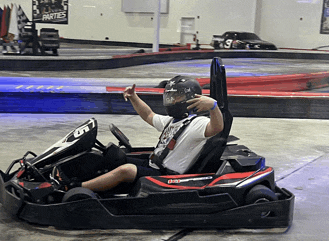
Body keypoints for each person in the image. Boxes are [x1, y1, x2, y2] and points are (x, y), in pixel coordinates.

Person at [53, 75, 223, 192]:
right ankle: (75, 173)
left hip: (167, 177)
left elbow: (217, 128)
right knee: (113, 154)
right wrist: (134, 97)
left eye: (176, 97)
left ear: (191, 98)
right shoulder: (172, 121)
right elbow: (148, 115)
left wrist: (213, 107)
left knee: (126, 170)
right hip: (154, 165)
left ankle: (77, 187)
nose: (172, 101)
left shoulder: (198, 124)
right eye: (170, 97)